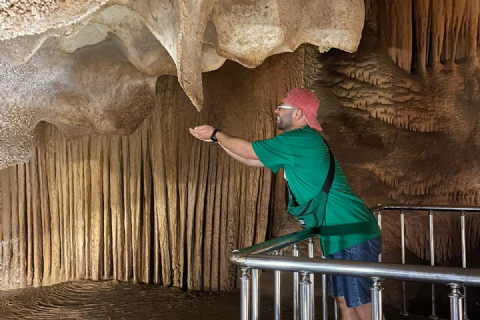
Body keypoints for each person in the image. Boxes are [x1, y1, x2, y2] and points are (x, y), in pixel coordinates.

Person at [189, 88, 382, 320]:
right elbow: (251, 159)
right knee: (344, 302)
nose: (276, 111)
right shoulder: (299, 144)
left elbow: (247, 150)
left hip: (352, 233)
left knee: (362, 305)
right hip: (339, 233)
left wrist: (217, 133)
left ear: (299, 114)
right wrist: (215, 139)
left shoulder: (299, 140)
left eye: (282, 106)